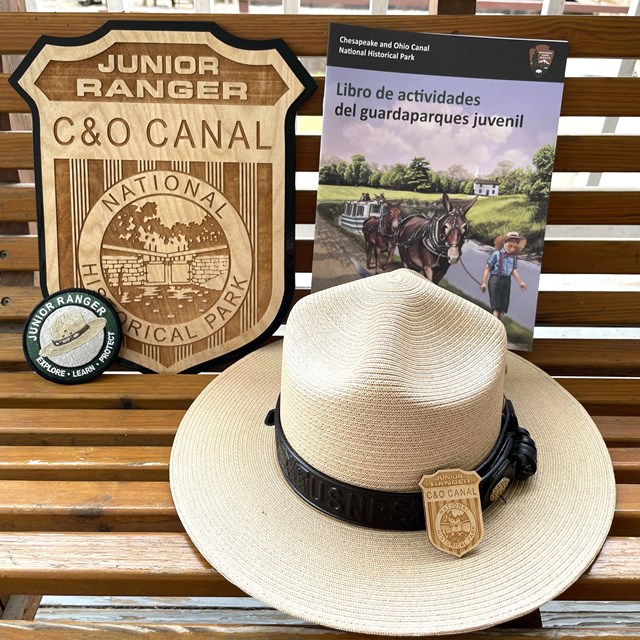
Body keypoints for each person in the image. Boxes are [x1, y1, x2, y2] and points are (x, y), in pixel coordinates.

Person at [480, 231, 527, 320]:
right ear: (504, 242)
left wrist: (520, 282)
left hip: (506, 281)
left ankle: (499, 323)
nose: (512, 249)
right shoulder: (496, 254)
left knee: (503, 306)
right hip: (495, 280)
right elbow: (487, 268)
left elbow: (513, 270)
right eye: (510, 246)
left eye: (514, 247)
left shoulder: (513, 257)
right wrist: (483, 282)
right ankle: (494, 323)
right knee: (496, 306)